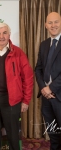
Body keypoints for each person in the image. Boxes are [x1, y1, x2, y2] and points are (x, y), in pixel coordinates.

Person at [0, 23, 33, 150]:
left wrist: (26, 100)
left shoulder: (18, 53)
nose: (1, 36)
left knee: (13, 134)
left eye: (4, 33)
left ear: (9, 34)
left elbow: (28, 78)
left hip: (11, 99)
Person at [35, 12, 61, 150]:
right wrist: (43, 88)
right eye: (50, 23)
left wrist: (51, 88)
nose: (53, 25)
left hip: (59, 95)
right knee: (53, 132)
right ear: (45, 25)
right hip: (46, 97)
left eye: (56, 22)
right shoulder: (44, 44)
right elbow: (38, 68)